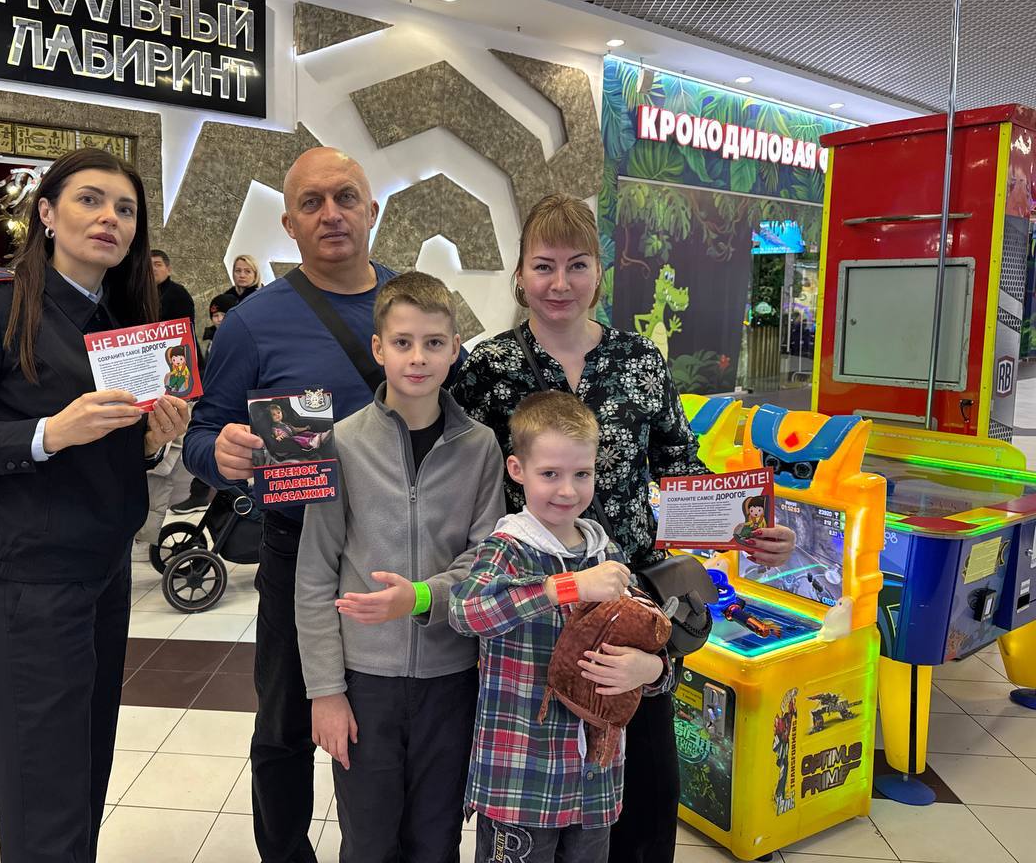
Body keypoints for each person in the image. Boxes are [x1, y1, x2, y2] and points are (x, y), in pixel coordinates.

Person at [450, 194, 796, 863]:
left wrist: (748, 526)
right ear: (519, 274)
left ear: (599, 273)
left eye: (577, 265)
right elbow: (448, 465)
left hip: (634, 602)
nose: (559, 283)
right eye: (543, 266)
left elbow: (679, 465)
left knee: (644, 789)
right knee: (540, 790)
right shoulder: (488, 369)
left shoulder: (639, 362)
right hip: (536, 608)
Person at [0, 148, 190, 863]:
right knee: (43, 796)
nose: (109, 218)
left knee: (85, 774)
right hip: (28, 582)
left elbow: (109, 452)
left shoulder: (123, 323)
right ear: (46, 214)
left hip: (104, 574)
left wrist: (151, 441)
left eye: (125, 209)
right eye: (89, 200)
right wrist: (46, 433)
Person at [183, 147, 460, 863]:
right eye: (311, 202)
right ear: (289, 222)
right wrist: (219, 454)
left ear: (373, 210)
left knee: (408, 719)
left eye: (346, 197)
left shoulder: (417, 300)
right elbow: (200, 433)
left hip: (410, 558)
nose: (331, 214)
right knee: (284, 723)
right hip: (299, 551)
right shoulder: (251, 324)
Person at [296, 272, 504, 863]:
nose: (418, 358)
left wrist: (421, 596)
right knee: (367, 840)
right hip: (366, 683)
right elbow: (315, 573)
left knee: (436, 840)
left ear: (455, 348)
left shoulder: (481, 447)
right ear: (378, 348)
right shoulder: (338, 444)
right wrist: (326, 692)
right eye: (403, 342)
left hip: (452, 678)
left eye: (434, 343)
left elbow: (486, 561)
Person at [450, 391, 674, 863]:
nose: (568, 491)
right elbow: (466, 612)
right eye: (550, 474)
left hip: (595, 780)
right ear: (517, 470)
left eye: (582, 474)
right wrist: (566, 588)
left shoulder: (607, 553)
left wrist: (649, 669)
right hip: (520, 778)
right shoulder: (507, 548)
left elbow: (647, 642)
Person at [151, 248, 196, 322]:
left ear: (168, 270)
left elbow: (185, 325)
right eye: (148, 265)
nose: (153, 269)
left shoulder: (179, 294)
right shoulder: (137, 293)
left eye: (158, 265)